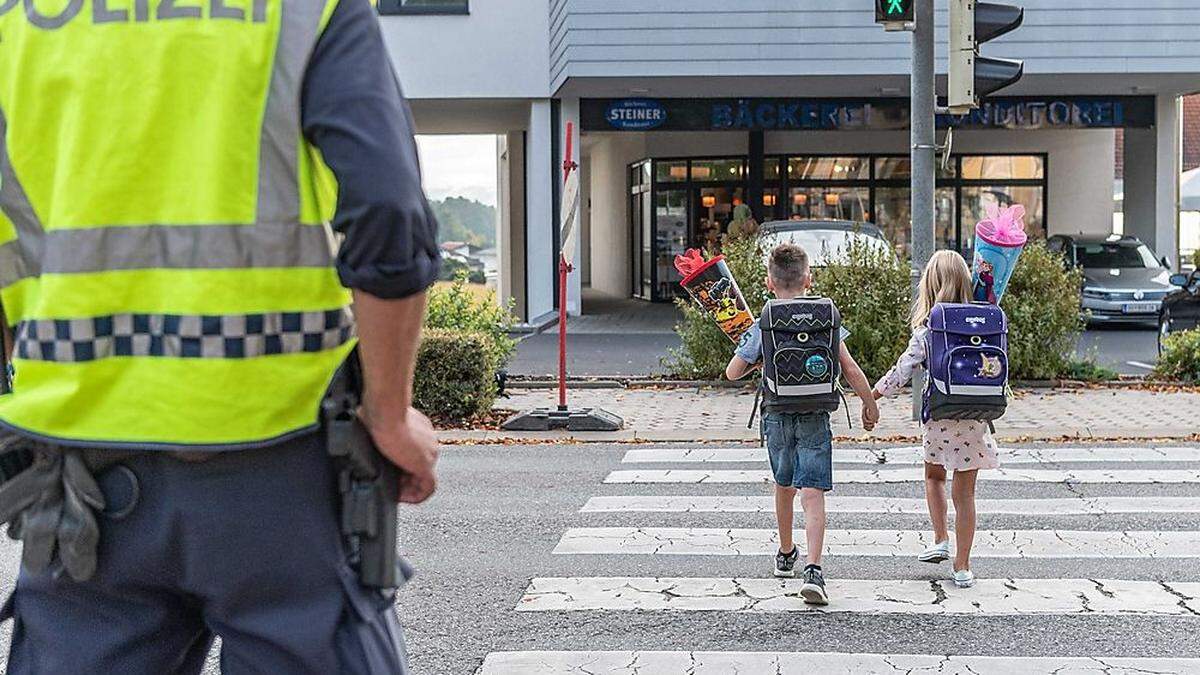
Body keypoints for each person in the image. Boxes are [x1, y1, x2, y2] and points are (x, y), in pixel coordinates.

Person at [0, 1, 440, 672]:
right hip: (283, 473)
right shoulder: (307, 8)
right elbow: (389, 213)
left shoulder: (17, 17)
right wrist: (388, 414)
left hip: (78, 489)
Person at [725, 244, 879, 605]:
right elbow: (849, 367)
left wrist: (759, 360)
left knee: (784, 484)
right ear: (809, 279)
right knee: (813, 493)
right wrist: (869, 403)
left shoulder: (765, 320)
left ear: (768, 282)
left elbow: (732, 373)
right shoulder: (825, 316)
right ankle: (813, 568)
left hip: (777, 414)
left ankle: (785, 553)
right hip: (816, 414)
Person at [872, 251, 1000, 589]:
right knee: (966, 494)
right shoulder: (985, 318)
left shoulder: (930, 329)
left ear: (930, 285)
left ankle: (941, 537)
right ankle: (962, 566)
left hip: (940, 416)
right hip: (975, 416)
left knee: (934, 476)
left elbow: (903, 369)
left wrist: (874, 395)